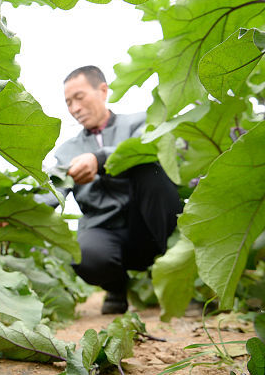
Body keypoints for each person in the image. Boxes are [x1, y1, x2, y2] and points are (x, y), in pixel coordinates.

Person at [47, 65, 183, 314]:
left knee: (147, 167)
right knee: (84, 255)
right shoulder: (66, 151)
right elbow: (51, 189)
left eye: (79, 97)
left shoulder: (140, 123)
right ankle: (116, 287)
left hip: (149, 228)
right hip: (103, 230)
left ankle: (181, 280)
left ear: (102, 91)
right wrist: (16, 211)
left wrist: (99, 159)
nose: (74, 108)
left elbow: (150, 148)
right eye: (68, 102)